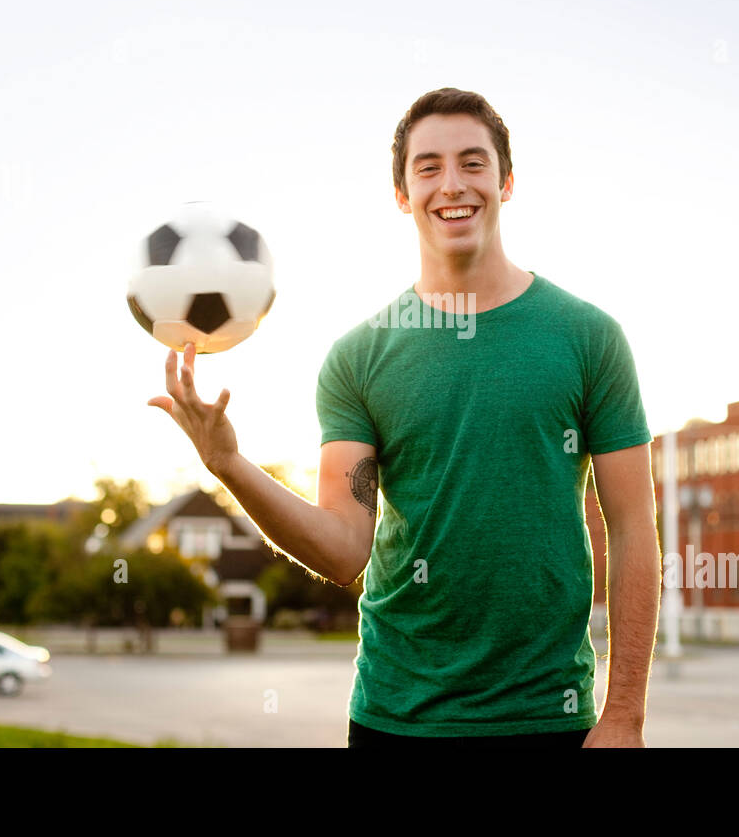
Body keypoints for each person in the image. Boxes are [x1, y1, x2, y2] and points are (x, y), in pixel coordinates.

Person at [148, 87, 660, 747]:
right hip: (398, 719)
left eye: (474, 163)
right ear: (401, 192)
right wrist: (228, 466)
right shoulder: (359, 359)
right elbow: (342, 549)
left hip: (548, 716)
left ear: (506, 182)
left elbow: (632, 527)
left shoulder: (589, 338)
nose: (453, 184)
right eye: (429, 167)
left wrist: (625, 713)